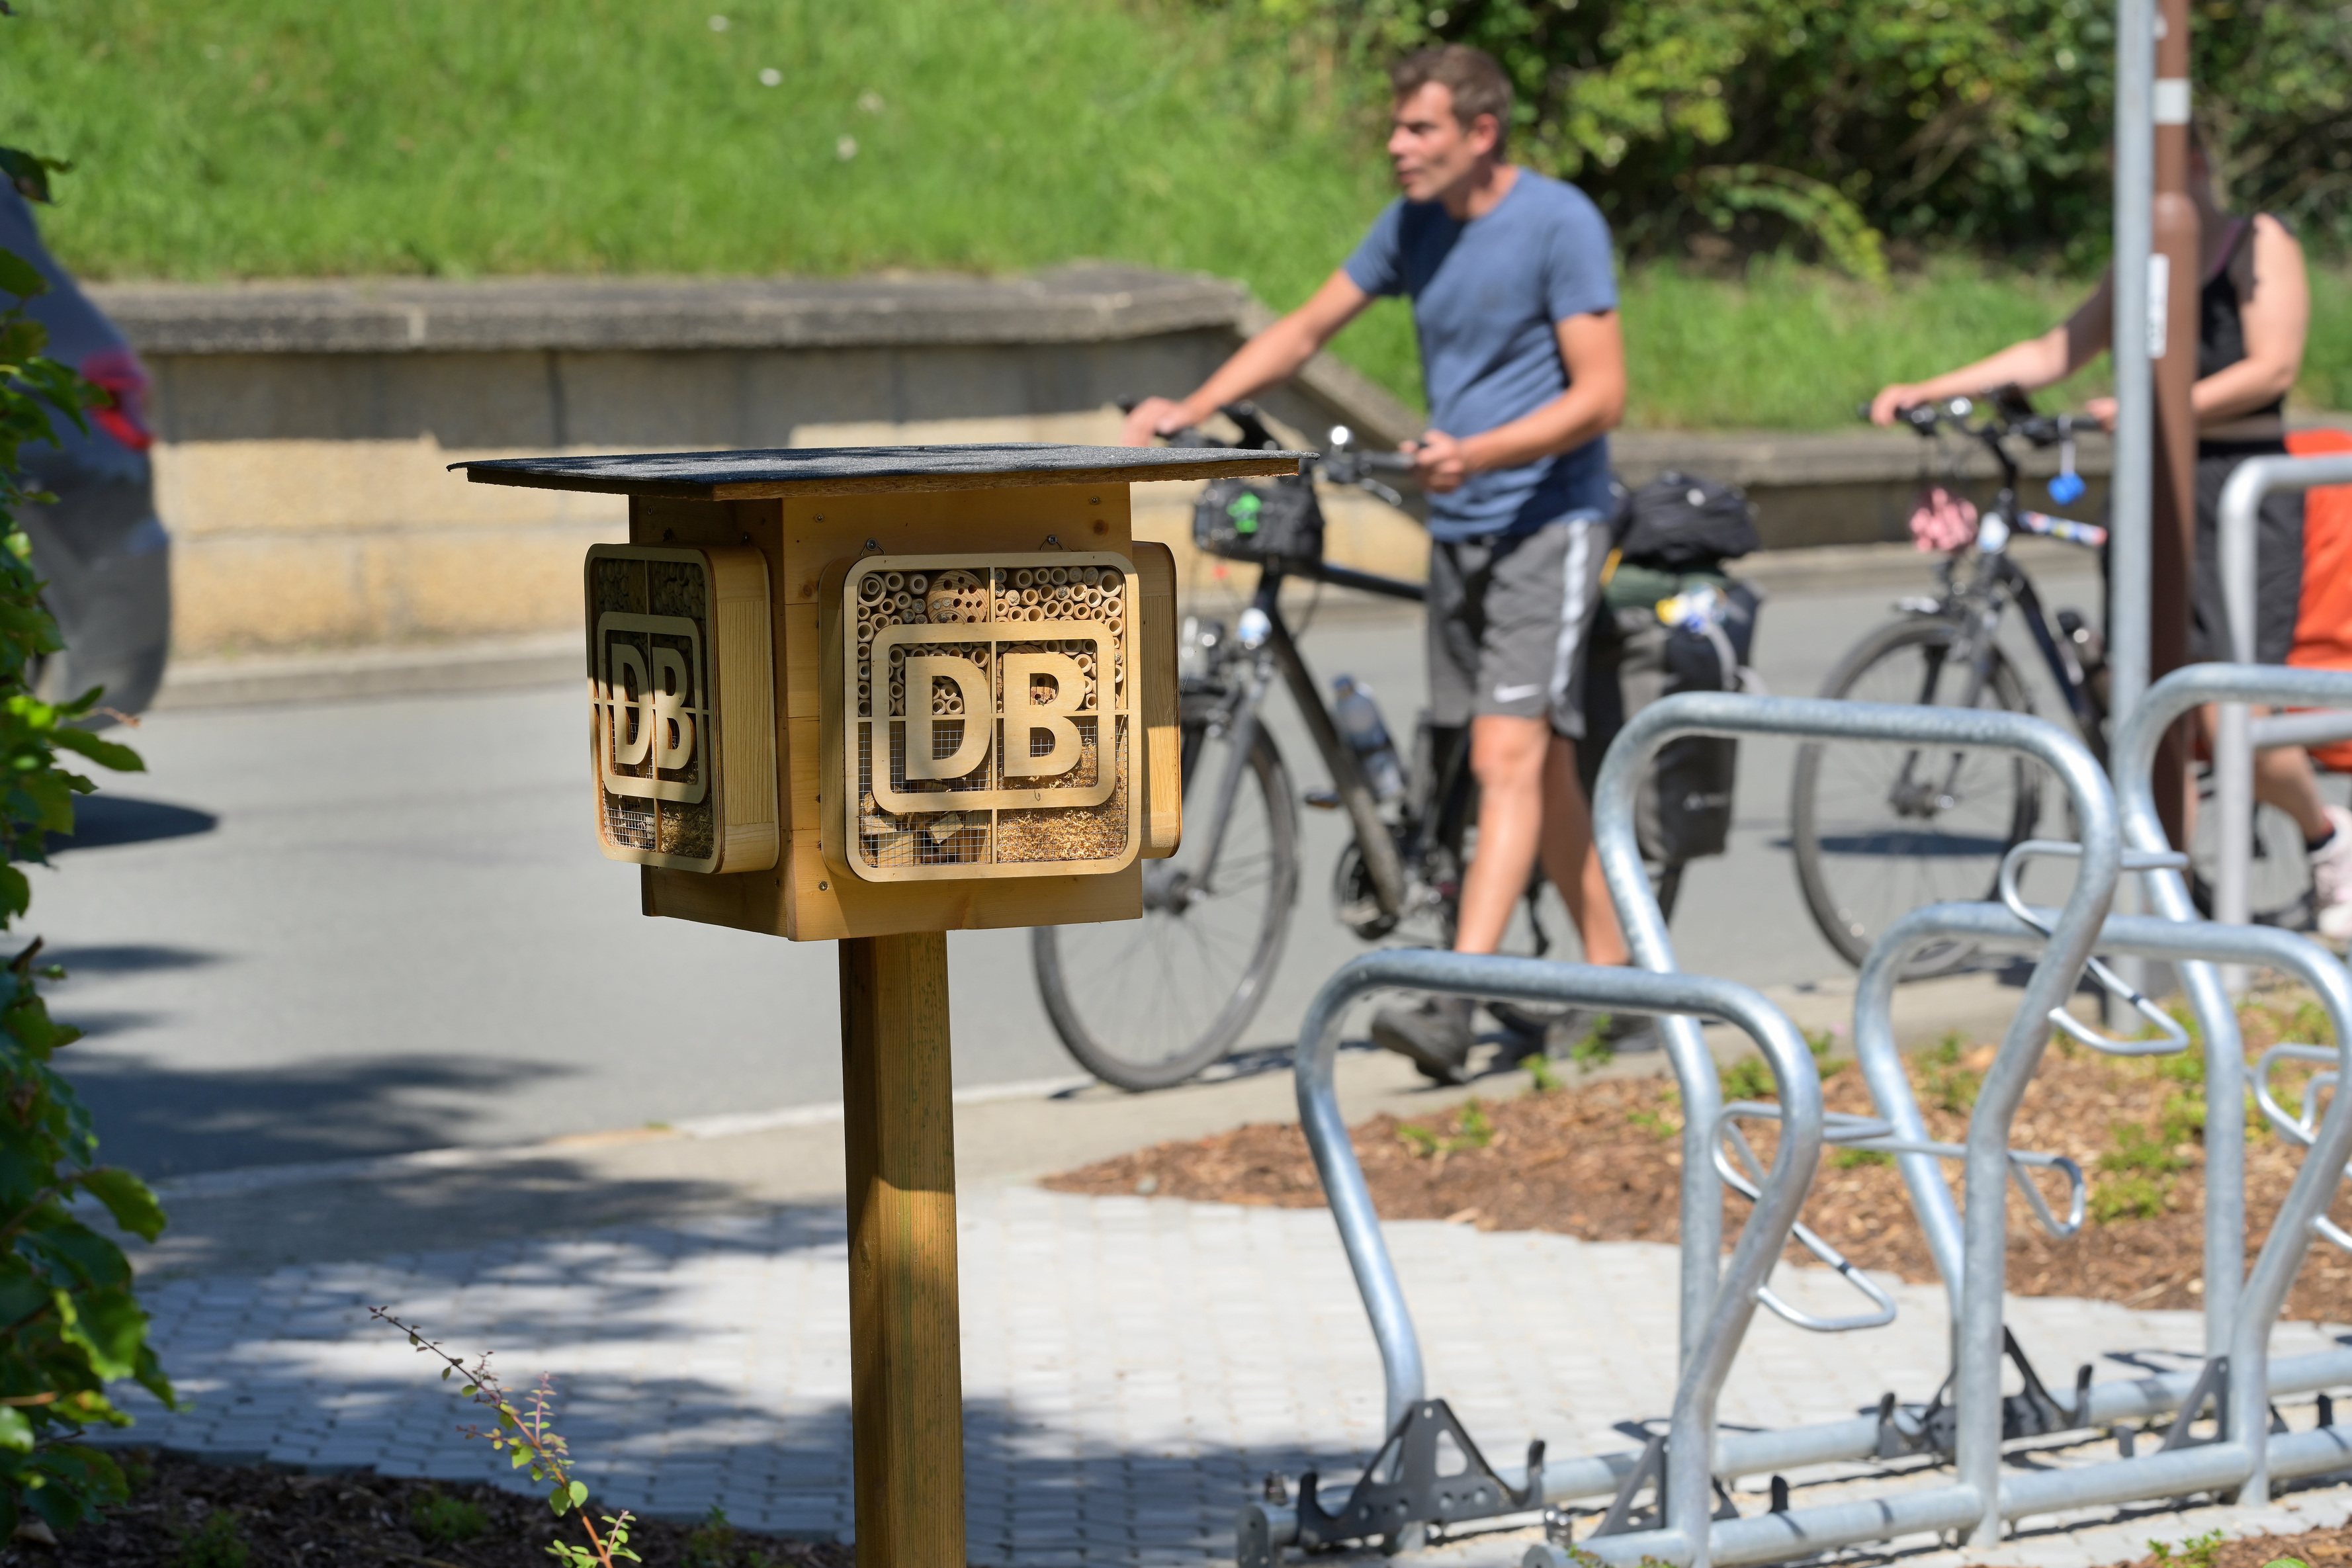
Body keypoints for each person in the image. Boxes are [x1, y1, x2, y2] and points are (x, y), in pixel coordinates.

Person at [1121, 44, 1630, 1082]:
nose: (1396, 145)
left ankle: (1452, 998)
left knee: (1504, 759)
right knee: (1532, 763)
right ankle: (1615, 971)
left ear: (1479, 132)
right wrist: (1193, 407)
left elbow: (1599, 395)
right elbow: (1306, 327)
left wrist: (1480, 452)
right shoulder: (1413, 225)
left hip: (1548, 521)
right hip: (1459, 523)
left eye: (1418, 128)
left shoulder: (1558, 223)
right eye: (1395, 127)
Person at [1868, 128, 2352, 939]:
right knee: (2149, 710)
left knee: (2234, 716)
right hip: (2150, 489)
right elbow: (2056, 348)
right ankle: (2169, 918)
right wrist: (1930, 389)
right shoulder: (2144, 262)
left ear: (2195, 162)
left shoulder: (2258, 242)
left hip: (2234, 494)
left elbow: (2273, 366)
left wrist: (2160, 406)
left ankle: (2328, 838)